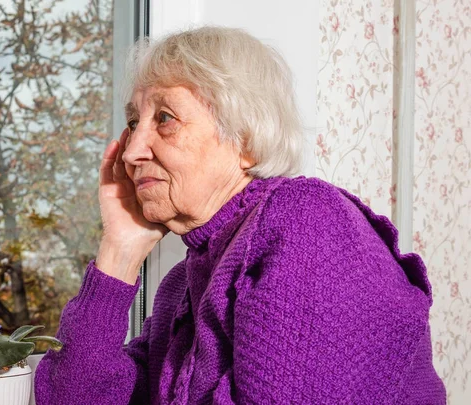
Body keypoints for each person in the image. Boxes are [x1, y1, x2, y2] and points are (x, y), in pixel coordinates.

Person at [34, 26, 446, 404]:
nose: (131, 151)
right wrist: (119, 250)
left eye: (164, 118)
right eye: (132, 122)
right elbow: (75, 396)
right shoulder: (180, 287)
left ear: (245, 139)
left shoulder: (307, 222)